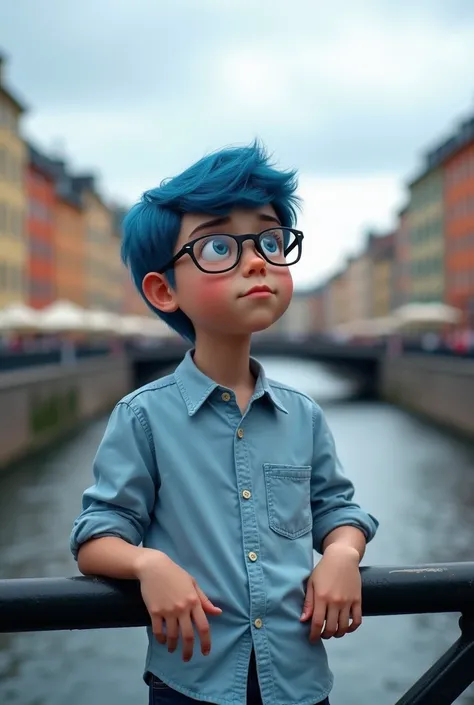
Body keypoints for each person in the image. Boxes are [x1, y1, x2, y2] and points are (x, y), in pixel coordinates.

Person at [70, 142, 378, 705]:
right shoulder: (144, 416)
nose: (258, 260)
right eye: (219, 246)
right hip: (192, 683)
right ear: (165, 290)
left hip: (300, 683)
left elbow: (338, 510)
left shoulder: (302, 414)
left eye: (269, 240)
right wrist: (146, 563)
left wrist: (340, 553)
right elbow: (97, 534)